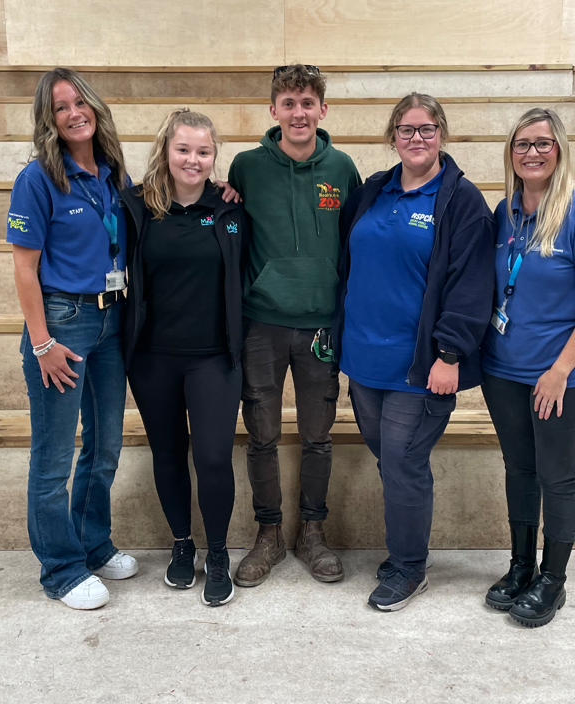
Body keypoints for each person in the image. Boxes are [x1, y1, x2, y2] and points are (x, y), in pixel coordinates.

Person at [334, 93, 495, 612]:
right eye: (406, 129)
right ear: (393, 137)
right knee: (390, 460)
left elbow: (472, 284)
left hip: (420, 368)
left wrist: (450, 354)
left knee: (404, 462)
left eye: (427, 129)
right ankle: (403, 548)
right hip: (364, 361)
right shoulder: (373, 190)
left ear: (442, 134)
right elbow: (348, 264)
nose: (417, 138)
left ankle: (409, 566)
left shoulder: (461, 200)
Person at [480, 107, 575, 628]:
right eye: (522, 144)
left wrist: (559, 370)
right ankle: (521, 565)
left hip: (562, 377)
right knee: (519, 470)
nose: (532, 153)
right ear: (510, 153)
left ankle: (553, 578)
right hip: (504, 371)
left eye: (542, 143)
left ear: (559, 149)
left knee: (556, 475)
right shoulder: (505, 212)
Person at [226, 63, 362, 588]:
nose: (298, 112)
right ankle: (269, 535)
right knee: (261, 435)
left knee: (317, 437)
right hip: (262, 322)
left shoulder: (343, 168)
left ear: (322, 109)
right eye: (289, 103)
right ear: (273, 110)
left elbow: (353, 240)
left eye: (307, 103)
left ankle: (312, 532)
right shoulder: (247, 167)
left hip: (321, 325)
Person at [8, 68, 136, 610]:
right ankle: (60, 569)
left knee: (105, 447)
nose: (74, 113)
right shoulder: (38, 178)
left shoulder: (112, 172)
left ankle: (92, 544)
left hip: (112, 319)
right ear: (49, 119)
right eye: (61, 107)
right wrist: (42, 343)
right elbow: (24, 268)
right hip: (63, 322)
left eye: (80, 102)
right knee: (54, 456)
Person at [122, 109, 247, 608]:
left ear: (214, 156)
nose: (193, 160)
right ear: (166, 151)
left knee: (213, 457)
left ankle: (217, 554)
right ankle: (181, 544)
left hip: (214, 357)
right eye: (183, 150)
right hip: (153, 358)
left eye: (203, 151)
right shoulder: (136, 206)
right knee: (168, 454)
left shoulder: (231, 208)